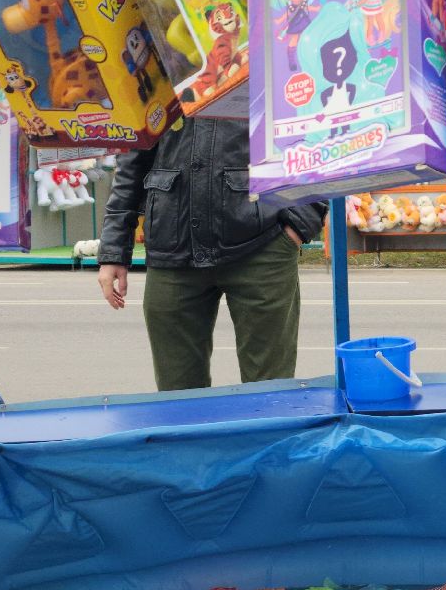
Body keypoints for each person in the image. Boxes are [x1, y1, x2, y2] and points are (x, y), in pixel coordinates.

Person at [98, 116, 327, 391]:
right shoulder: (153, 74)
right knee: (178, 398)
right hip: (172, 246)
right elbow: (131, 159)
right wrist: (113, 250)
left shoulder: (269, 70)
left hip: (263, 244)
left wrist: (299, 224)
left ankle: (268, 435)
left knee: (270, 394)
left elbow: (314, 134)